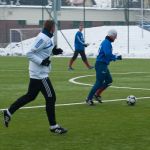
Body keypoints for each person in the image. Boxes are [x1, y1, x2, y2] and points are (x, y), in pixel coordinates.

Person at [2, 20, 67, 134]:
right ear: (51, 28)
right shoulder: (43, 38)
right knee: (51, 97)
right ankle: (53, 126)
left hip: (37, 73)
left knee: (30, 96)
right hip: (40, 74)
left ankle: (9, 111)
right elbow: (30, 53)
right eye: (54, 27)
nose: (55, 29)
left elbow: (42, 51)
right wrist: (42, 62)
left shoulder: (46, 37)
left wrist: (53, 52)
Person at [86, 29, 122, 106]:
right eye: (115, 36)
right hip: (101, 65)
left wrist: (115, 57)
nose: (115, 38)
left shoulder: (106, 42)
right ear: (111, 36)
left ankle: (97, 94)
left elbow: (107, 55)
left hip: (103, 65)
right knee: (99, 82)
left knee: (109, 80)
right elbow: (107, 54)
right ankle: (89, 98)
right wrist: (116, 57)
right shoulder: (107, 43)